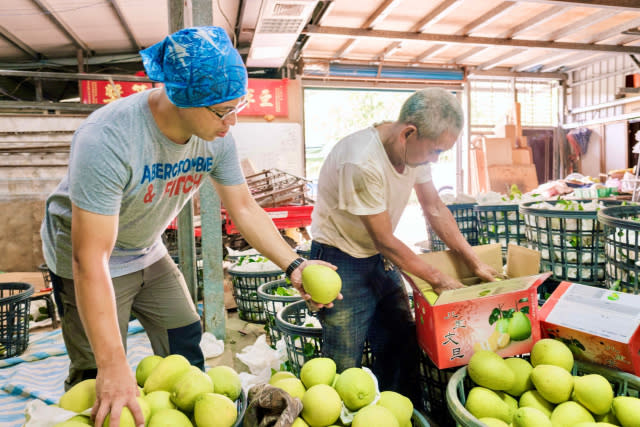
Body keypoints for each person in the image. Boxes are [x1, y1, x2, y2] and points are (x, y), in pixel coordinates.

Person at [41, 26, 335, 427]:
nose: (232, 121)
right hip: (86, 257)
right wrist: (114, 365)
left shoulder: (216, 137)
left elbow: (245, 209)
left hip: (147, 248)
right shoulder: (108, 138)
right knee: (100, 376)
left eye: (238, 105)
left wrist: (295, 265)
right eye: (222, 110)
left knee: (186, 342)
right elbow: (89, 257)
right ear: (182, 96)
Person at [309, 87, 498, 405]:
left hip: (379, 257)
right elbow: (384, 239)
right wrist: (437, 278)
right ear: (409, 133)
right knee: (344, 358)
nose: (436, 159)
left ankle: (401, 412)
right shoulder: (361, 161)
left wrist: (474, 261)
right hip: (340, 258)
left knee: (400, 341)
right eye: (436, 151)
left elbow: (435, 207)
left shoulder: (415, 152)